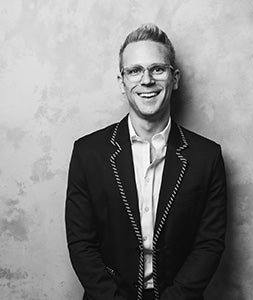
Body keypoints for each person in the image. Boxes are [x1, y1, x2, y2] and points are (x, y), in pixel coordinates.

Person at [65, 23, 227, 300]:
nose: (147, 80)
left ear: (174, 79)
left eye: (157, 69)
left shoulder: (206, 157)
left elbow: (209, 244)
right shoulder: (87, 153)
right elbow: (82, 243)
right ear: (122, 82)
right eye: (135, 70)